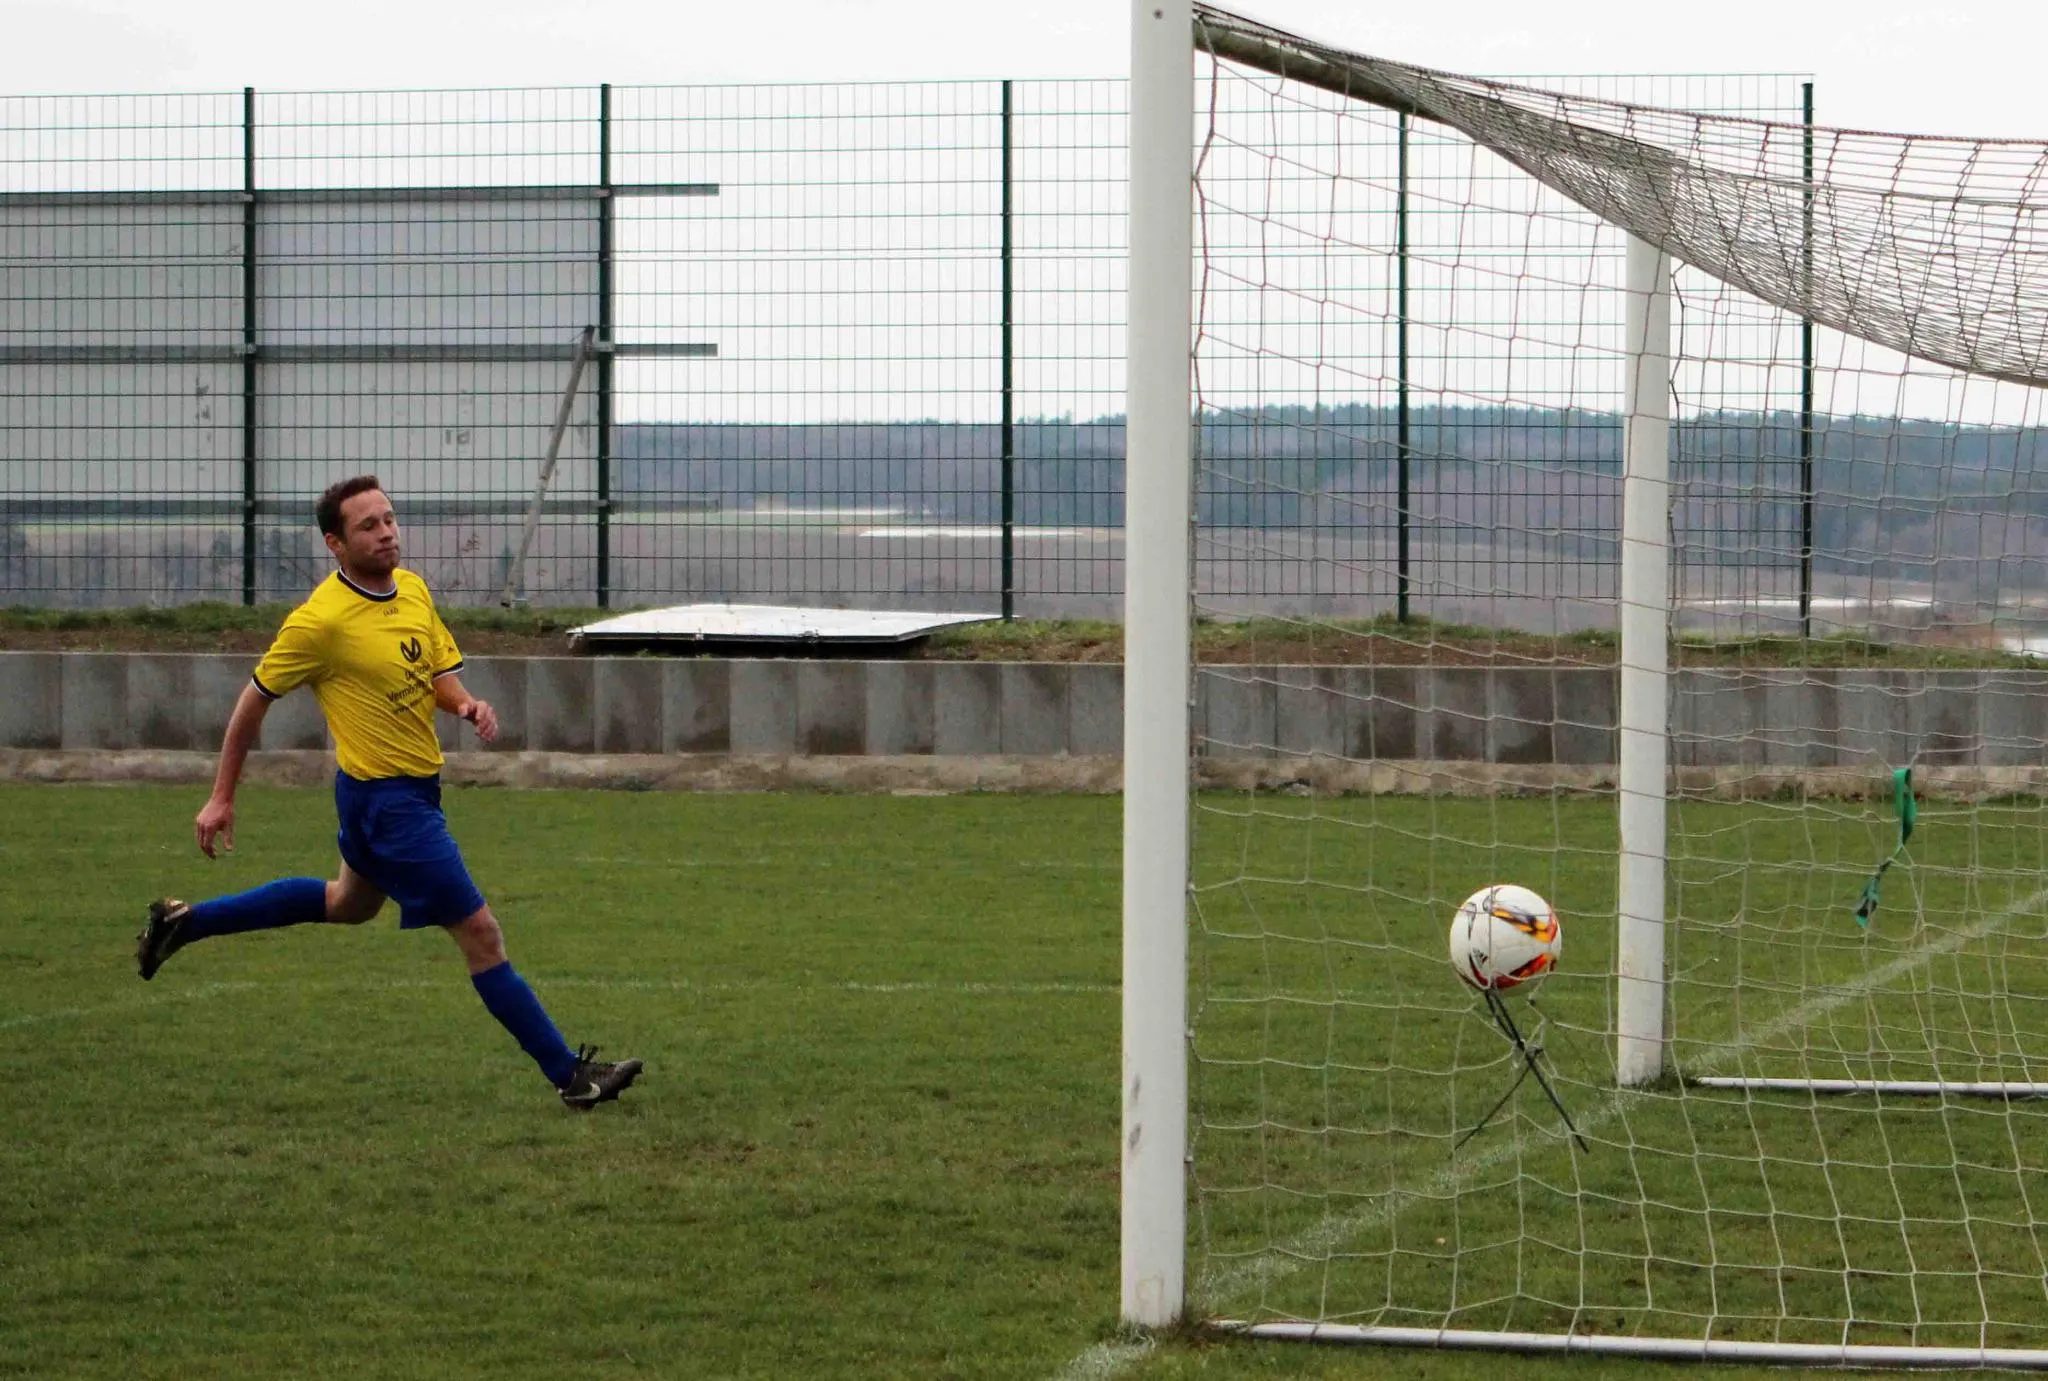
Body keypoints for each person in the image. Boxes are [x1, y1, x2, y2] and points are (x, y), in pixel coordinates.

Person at [135, 474, 643, 1112]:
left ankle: (185, 923)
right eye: (368, 526)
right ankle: (571, 1076)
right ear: (335, 544)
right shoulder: (320, 621)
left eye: (390, 519)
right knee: (482, 935)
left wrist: (465, 705)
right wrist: (221, 796)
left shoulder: (413, 591)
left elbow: (435, 674)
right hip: (387, 805)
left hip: (405, 794)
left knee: (347, 903)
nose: (386, 533)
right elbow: (252, 702)